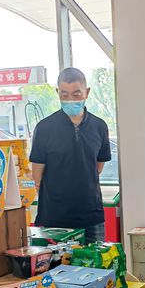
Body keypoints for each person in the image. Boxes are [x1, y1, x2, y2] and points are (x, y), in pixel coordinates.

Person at [30, 68, 111, 244]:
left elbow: (97, 168)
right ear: (57, 92)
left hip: (91, 216)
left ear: (86, 92)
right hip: (54, 219)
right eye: (64, 94)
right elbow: (37, 176)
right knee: (55, 263)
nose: (70, 100)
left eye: (76, 94)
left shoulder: (99, 126)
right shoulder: (44, 128)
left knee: (94, 261)